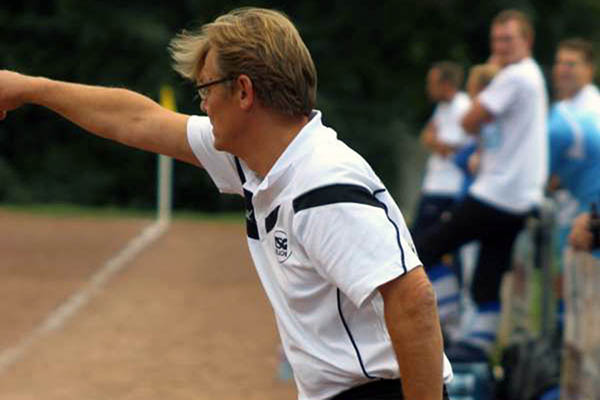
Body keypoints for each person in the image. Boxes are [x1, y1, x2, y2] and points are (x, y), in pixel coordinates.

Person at [0, 7, 452, 400]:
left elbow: (413, 300)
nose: (203, 102)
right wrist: (28, 88)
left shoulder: (320, 183)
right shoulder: (259, 161)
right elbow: (136, 119)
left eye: (205, 88)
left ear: (243, 91)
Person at [413, 9, 548, 362]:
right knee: (487, 275)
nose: (501, 46)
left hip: (497, 194)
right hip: (520, 198)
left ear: (527, 41)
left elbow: (469, 121)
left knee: (421, 249)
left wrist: (490, 77)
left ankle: (450, 322)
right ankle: (477, 349)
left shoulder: (515, 76)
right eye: (497, 40)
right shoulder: (530, 76)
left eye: (508, 39)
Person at [414, 61, 472, 342]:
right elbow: (430, 137)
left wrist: (437, 142)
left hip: (447, 191)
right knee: (420, 249)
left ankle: (448, 315)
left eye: (432, 82)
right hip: (434, 188)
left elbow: (455, 148)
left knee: (427, 250)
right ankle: (445, 310)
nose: (428, 88)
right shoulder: (443, 108)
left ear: (446, 84)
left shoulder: (462, 107)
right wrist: (436, 141)